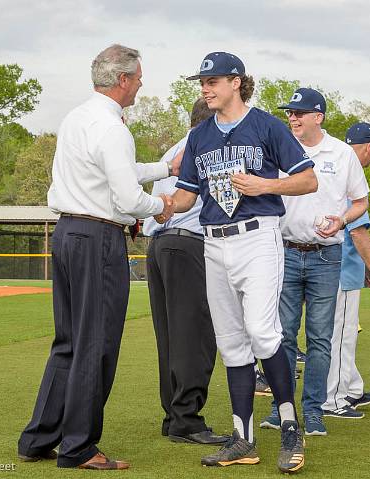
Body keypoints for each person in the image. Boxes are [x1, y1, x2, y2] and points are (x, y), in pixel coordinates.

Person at [18, 44, 174, 470]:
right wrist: (164, 206)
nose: (141, 83)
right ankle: (80, 447)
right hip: (98, 239)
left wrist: (164, 168)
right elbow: (127, 195)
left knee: (68, 342)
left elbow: (115, 169)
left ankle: (39, 438)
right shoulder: (112, 128)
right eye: (138, 77)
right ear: (122, 80)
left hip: (67, 232)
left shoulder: (77, 118)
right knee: (97, 344)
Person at [160, 52, 317, 473]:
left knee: (263, 333)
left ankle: (290, 428)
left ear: (236, 82)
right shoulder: (199, 136)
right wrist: (153, 207)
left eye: (212, 81)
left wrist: (265, 183)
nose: (205, 89)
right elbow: (186, 197)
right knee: (231, 343)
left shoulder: (266, 125)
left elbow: (308, 178)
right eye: (202, 83)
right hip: (213, 243)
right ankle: (243, 439)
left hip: (258, 237)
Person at [259, 88, 369, 435]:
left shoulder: (341, 152)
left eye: (299, 113)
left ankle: (314, 410)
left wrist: (342, 220)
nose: (292, 118)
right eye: (290, 113)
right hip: (286, 251)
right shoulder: (277, 148)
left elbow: (360, 201)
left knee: (321, 339)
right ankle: (282, 409)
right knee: (283, 336)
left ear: (318, 117)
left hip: (326, 256)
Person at [142, 98, 228, 446]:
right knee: (196, 337)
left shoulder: (173, 150)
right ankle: (187, 420)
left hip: (160, 245)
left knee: (171, 338)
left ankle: (174, 416)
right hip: (190, 244)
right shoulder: (208, 147)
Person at [322, 122, 370, 418]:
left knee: (336, 333)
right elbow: (358, 232)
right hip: (342, 271)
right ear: (369, 147)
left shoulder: (333, 166)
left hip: (327, 267)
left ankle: (350, 388)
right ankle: (333, 400)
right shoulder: (351, 174)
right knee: (342, 335)